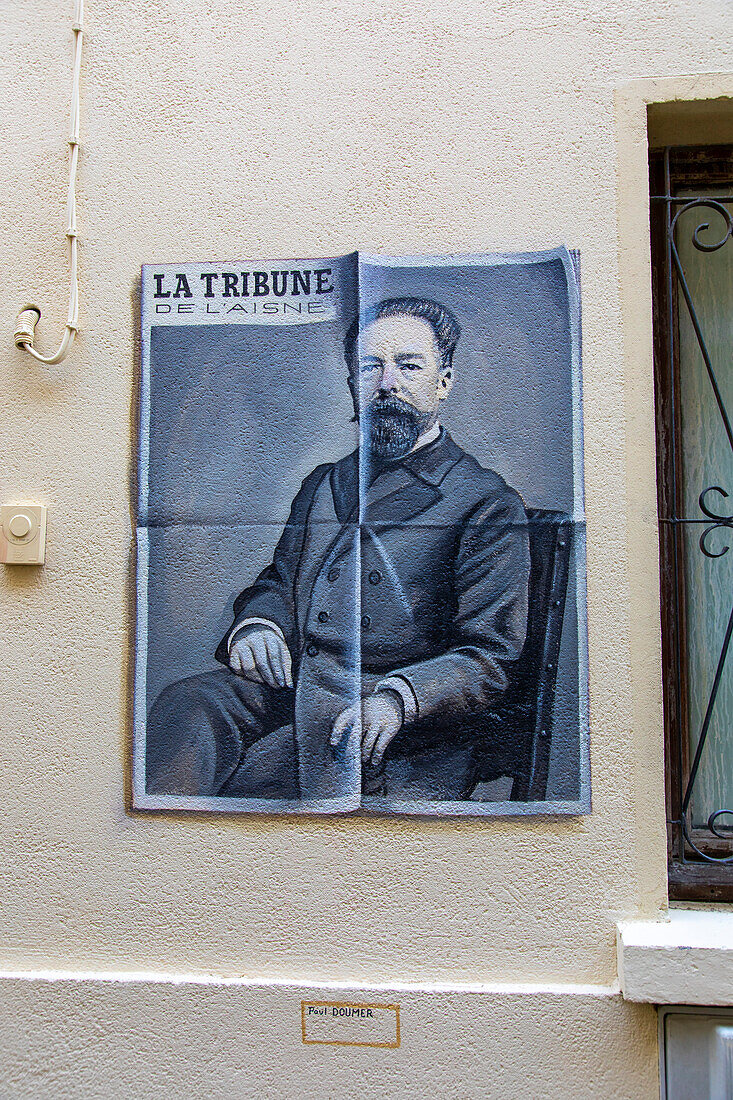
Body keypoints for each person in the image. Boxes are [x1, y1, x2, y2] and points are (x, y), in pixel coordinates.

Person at [146, 297, 530, 805]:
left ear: (444, 383)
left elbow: (490, 657)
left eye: (409, 366)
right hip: (299, 686)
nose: (387, 384)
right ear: (352, 385)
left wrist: (400, 699)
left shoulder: (487, 502)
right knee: (188, 704)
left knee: (257, 786)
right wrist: (259, 625)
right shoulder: (323, 483)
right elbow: (280, 582)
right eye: (371, 367)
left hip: (395, 719)